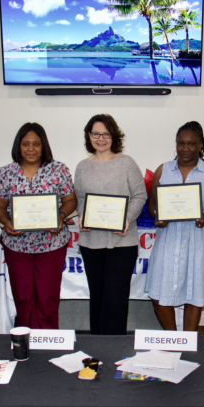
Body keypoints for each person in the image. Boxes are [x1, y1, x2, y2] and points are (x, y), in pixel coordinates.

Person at [0, 123, 76, 329]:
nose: (31, 149)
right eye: (26, 144)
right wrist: (6, 221)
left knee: (48, 297)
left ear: (43, 145)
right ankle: (24, 342)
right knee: (23, 297)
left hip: (52, 244)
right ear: (18, 146)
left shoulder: (58, 169)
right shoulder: (5, 173)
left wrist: (61, 217)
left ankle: (48, 343)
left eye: (36, 144)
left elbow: (71, 200)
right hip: (17, 245)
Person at [146, 121, 204, 332]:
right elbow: (152, 204)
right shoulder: (163, 170)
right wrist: (158, 216)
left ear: (201, 145)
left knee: (194, 293)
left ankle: (187, 340)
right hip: (169, 237)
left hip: (199, 236)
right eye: (181, 143)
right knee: (159, 294)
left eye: (191, 144)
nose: (185, 149)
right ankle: (172, 338)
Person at [74, 114, 147, 335]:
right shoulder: (82, 167)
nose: (101, 138)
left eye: (106, 133)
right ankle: (97, 350)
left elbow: (140, 195)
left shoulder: (127, 162)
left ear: (113, 136)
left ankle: (113, 351)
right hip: (91, 242)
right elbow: (79, 200)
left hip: (122, 243)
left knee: (115, 300)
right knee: (97, 297)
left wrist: (127, 219)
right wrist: (81, 217)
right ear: (89, 136)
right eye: (96, 133)